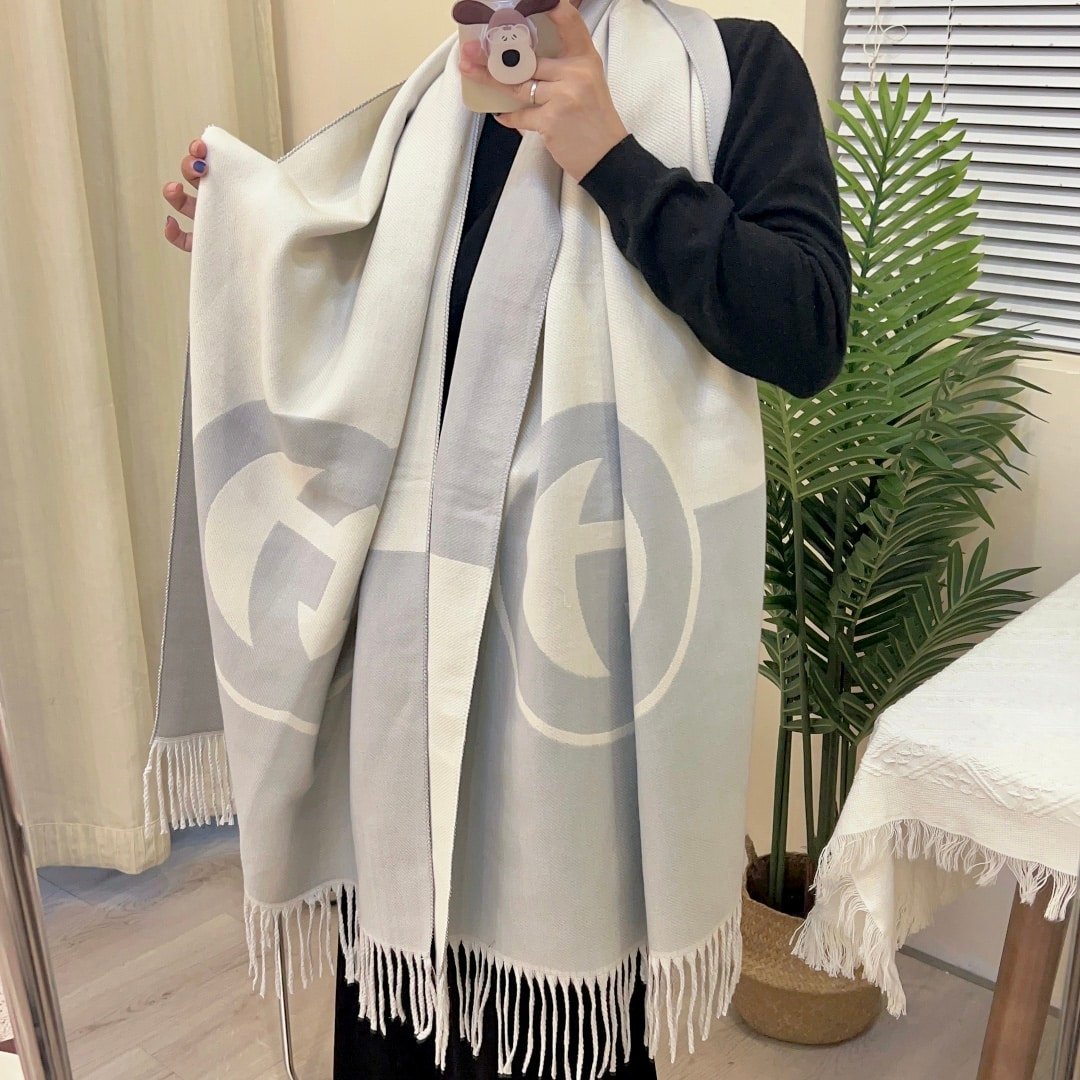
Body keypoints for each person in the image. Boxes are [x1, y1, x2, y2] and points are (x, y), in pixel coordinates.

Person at [161, 4, 850, 1077]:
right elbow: (361, 330)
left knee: (563, 1029)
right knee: (393, 1019)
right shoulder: (433, 110)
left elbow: (806, 328)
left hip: (582, 674)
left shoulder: (736, 69)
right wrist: (240, 238)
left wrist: (613, 158)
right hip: (406, 662)